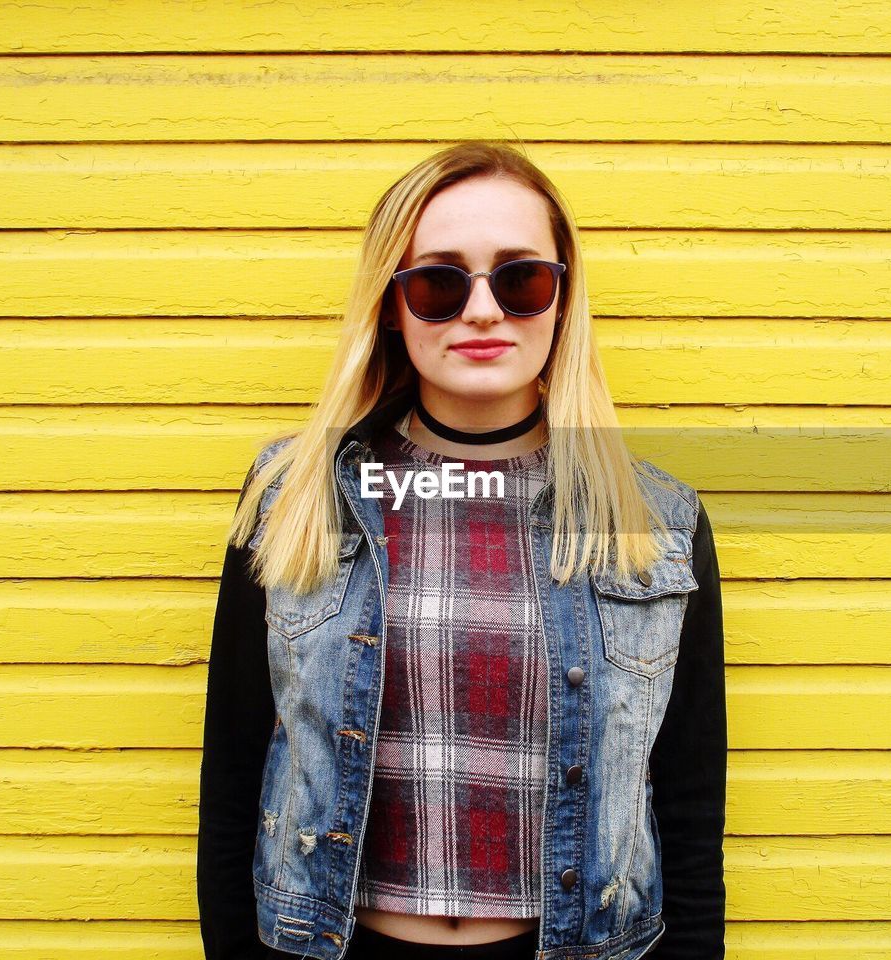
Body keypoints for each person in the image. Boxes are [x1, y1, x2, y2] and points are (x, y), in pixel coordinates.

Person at [197, 141, 726, 960]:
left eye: (520, 280)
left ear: (562, 297)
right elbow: (233, 773)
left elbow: (689, 804)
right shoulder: (293, 497)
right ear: (390, 303)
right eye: (440, 283)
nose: (483, 312)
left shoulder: (655, 519)